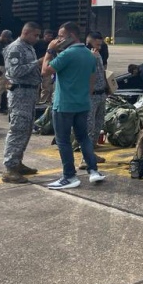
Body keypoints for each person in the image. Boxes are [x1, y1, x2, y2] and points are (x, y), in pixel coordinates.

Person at [41, 21, 106, 189]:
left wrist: (50, 49)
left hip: (64, 104)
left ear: (71, 36)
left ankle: (69, 176)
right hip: (82, 103)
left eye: (61, 36)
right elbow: (92, 82)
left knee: (63, 141)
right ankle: (93, 170)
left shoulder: (67, 54)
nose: (58, 40)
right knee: (83, 137)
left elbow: (45, 71)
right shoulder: (90, 55)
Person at [1, 22, 42, 184]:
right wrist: (37, 63)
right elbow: (15, 71)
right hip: (20, 94)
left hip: (29, 94)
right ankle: (10, 168)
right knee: (17, 129)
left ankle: (17, 162)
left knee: (26, 129)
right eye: (35, 35)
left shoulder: (27, 47)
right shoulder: (15, 48)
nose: (37, 39)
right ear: (26, 33)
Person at [83, 32, 108, 168]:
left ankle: (91, 153)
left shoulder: (97, 53)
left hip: (101, 93)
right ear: (89, 41)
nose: (99, 47)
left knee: (98, 124)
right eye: (97, 44)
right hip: (90, 95)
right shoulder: (85, 54)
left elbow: (101, 71)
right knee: (89, 127)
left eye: (101, 44)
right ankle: (85, 158)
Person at [35, 29, 56, 103]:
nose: (50, 37)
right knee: (36, 85)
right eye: (48, 35)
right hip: (38, 65)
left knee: (46, 85)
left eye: (51, 36)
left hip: (47, 65)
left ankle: (43, 101)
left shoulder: (52, 44)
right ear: (44, 35)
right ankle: (35, 101)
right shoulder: (38, 43)